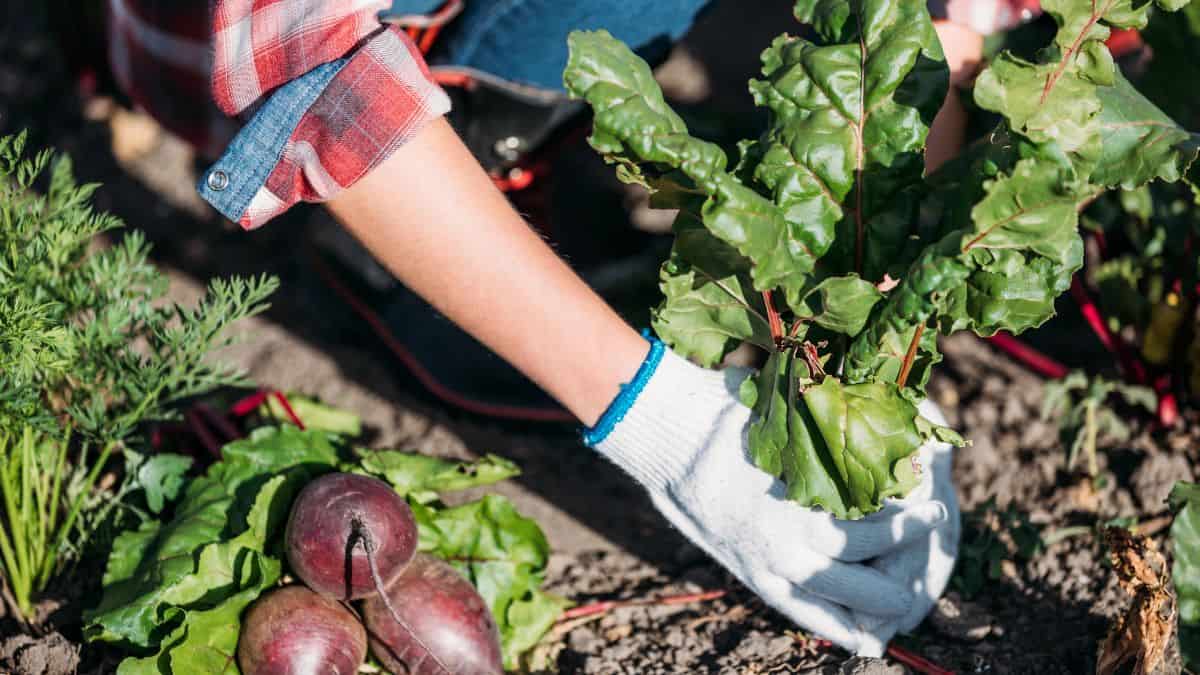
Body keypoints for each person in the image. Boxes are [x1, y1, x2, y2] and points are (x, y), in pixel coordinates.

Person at [101, 0, 1038, 657]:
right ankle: (418, 203)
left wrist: (875, 356)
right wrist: (669, 423)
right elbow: (306, 62)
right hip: (243, 55)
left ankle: (517, 130)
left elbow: (939, 30)